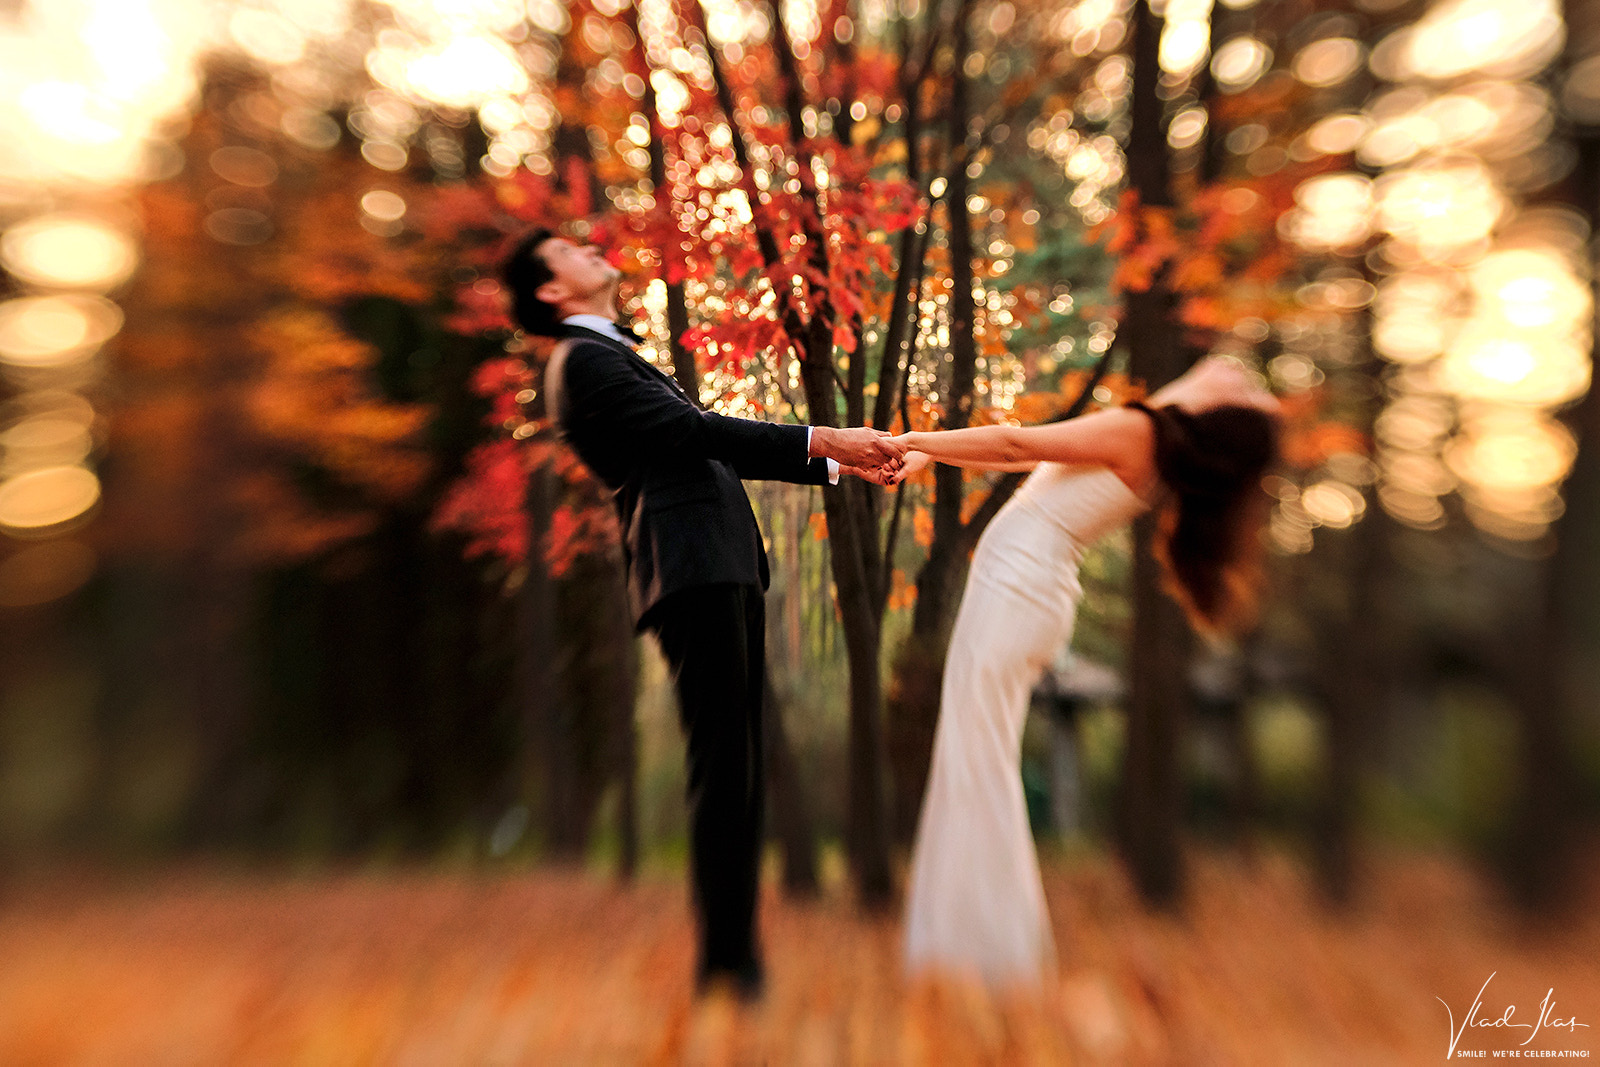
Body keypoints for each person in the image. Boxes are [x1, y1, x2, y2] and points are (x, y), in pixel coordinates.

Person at [499, 229, 899, 1000]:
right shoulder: (580, 361)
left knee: (734, 768)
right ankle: (728, 963)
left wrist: (831, 457)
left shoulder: (605, 351)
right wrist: (829, 442)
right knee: (724, 769)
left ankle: (732, 955)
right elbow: (692, 433)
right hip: (691, 570)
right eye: (569, 252)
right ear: (551, 291)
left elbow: (700, 440)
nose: (589, 249)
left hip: (715, 566)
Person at [886, 356, 1281, 988]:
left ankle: (986, 957)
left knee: (974, 763)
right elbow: (1025, 459)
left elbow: (1018, 439)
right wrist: (934, 455)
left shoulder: (1139, 435)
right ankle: (973, 948)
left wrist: (910, 441)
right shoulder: (1159, 443)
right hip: (1023, 593)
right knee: (973, 759)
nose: (1236, 380)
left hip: (1017, 593)